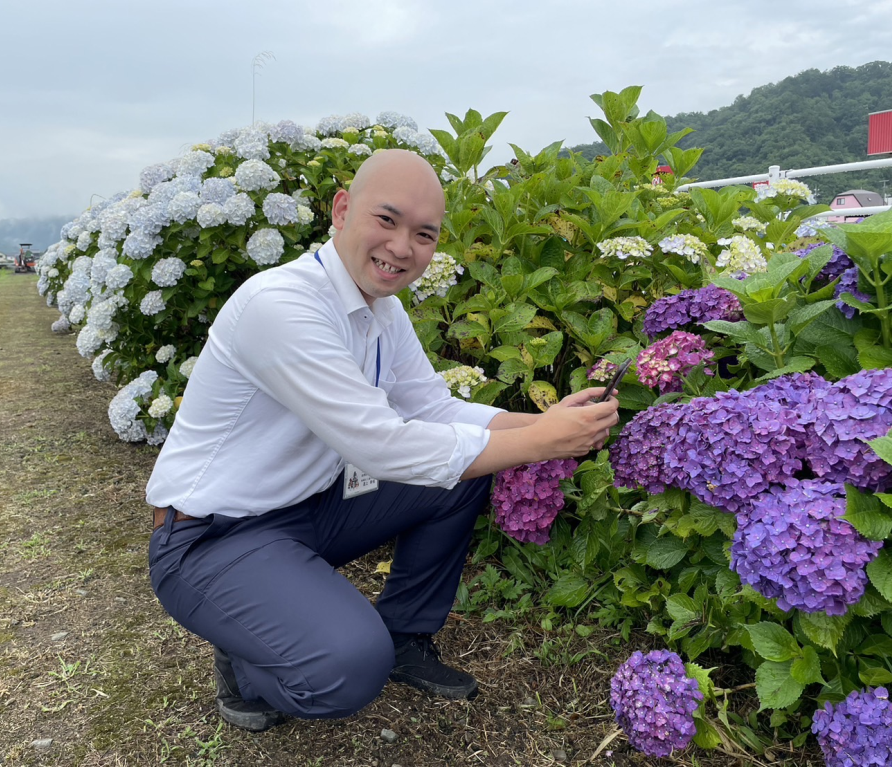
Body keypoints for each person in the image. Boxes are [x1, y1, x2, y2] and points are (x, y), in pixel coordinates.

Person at [146, 149, 620, 731]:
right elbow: (381, 446)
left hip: (309, 510)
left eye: (424, 234)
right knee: (346, 670)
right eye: (387, 220)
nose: (402, 247)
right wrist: (543, 442)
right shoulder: (282, 305)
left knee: (459, 477)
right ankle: (247, 662)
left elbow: (435, 408)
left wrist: (551, 423)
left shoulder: (381, 311)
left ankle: (404, 637)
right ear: (342, 209)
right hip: (211, 539)